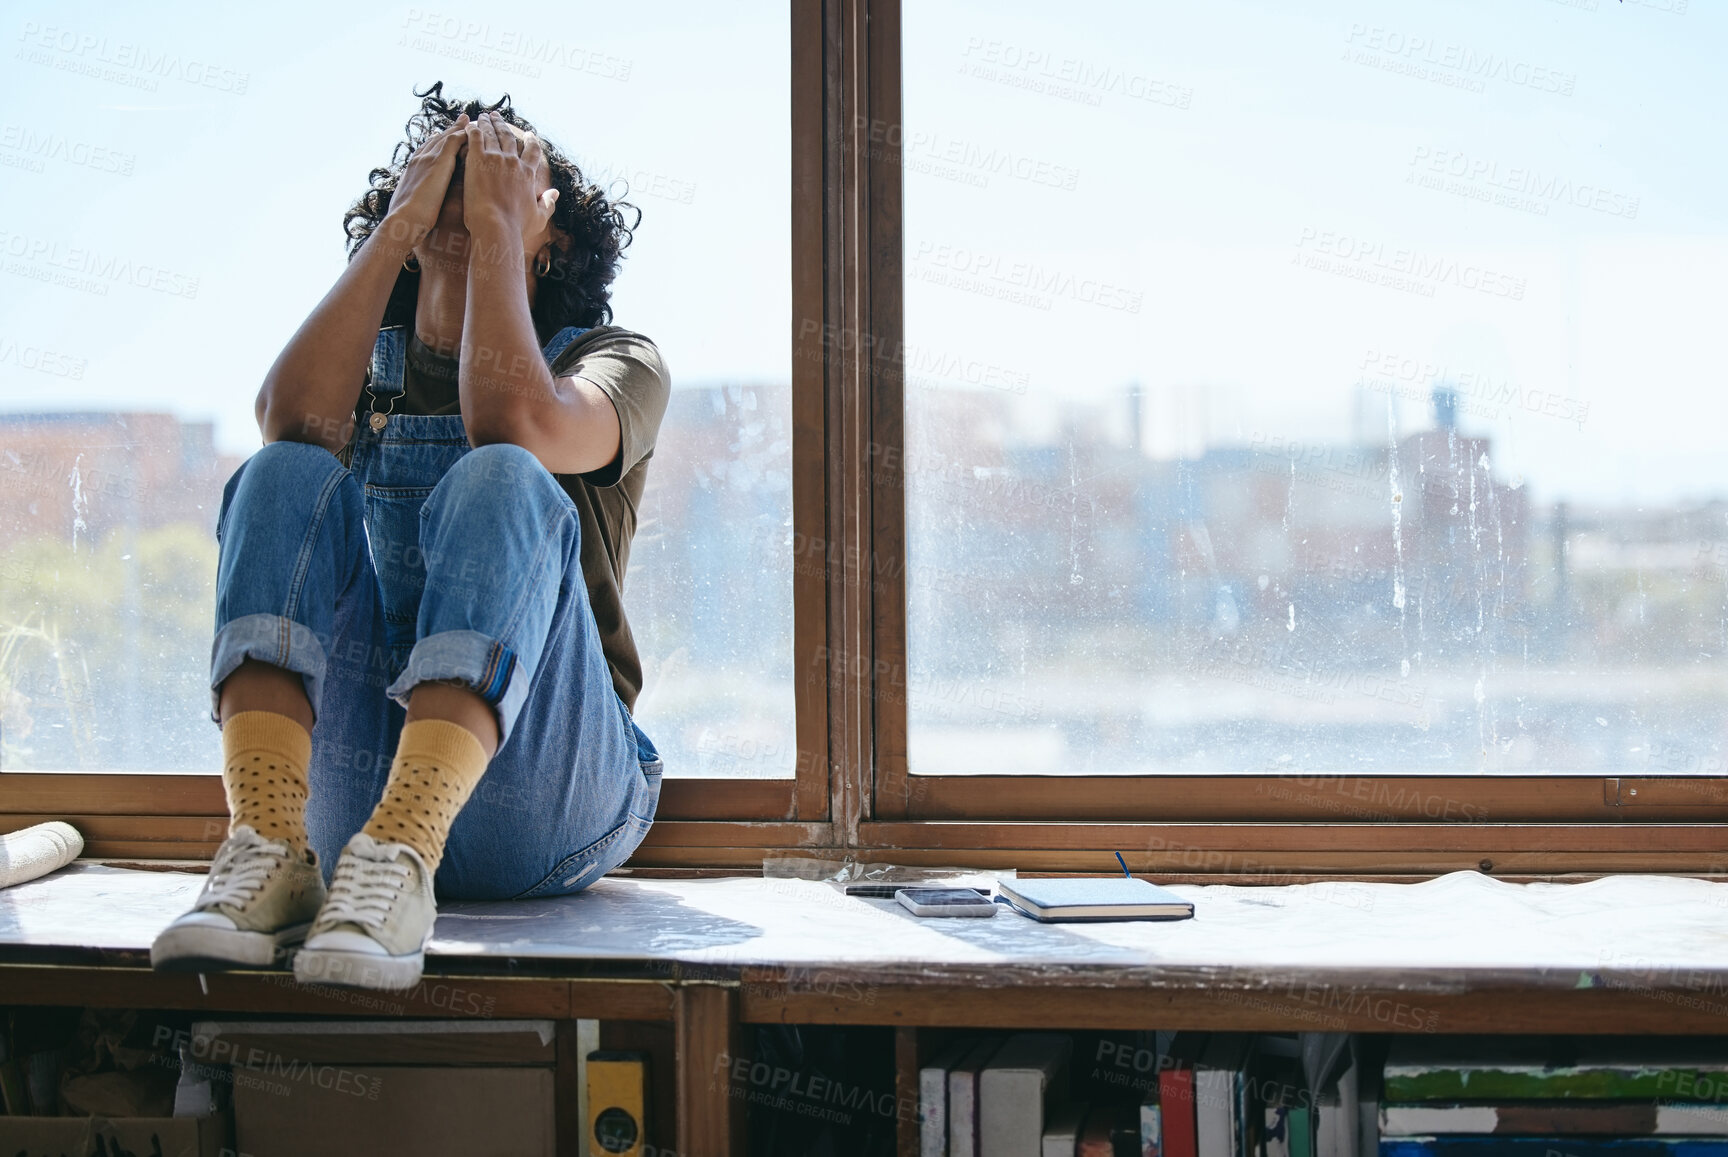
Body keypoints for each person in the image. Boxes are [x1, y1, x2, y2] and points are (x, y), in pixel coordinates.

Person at [150, 82, 670, 991]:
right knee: (281, 469)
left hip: (544, 800)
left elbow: (516, 424)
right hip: (354, 803)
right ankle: (269, 845)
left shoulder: (612, 362)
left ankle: (410, 844)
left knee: (503, 472)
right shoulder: (364, 358)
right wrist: (398, 230)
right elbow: (290, 420)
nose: (472, 184)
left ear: (557, 239)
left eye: (506, 176)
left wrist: (501, 232)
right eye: (449, 173)